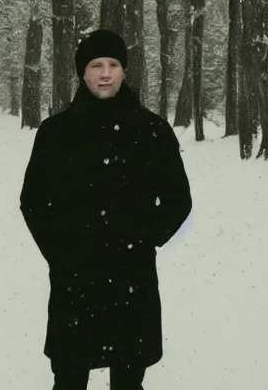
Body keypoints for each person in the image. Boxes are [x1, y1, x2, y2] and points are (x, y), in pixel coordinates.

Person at [19, 29, 193, 390]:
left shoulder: (151, 131)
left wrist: (145, 240)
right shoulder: (56, 133)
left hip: (132, 278)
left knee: (128, 379)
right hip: (74, 280)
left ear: (125, 71)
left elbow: (179, 200)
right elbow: (33, 201)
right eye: (96, 65)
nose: (105, 73)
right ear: (83, 73)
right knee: (69, 377)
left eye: (113, 64)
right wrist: (60, 252)